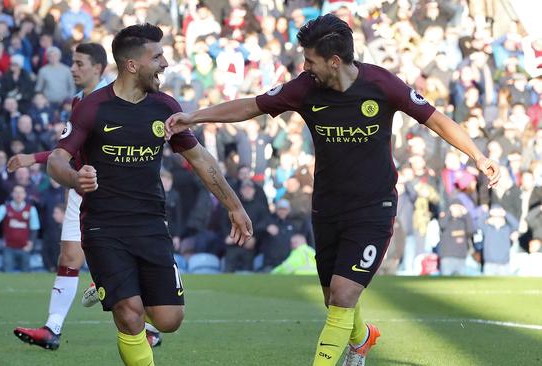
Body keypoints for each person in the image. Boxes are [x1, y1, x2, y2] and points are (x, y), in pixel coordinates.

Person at [165, 14, 500, 366]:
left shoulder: (381, 84)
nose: (304, 66)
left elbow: (435, 118)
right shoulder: (304, 88)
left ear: (334, 61)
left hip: (373, 206)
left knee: (342, 294)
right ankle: (363, 337)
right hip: (326, 207)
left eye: (310, 60)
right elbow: (251, 106)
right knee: (333, 298)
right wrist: (195, 116)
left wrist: (477, 155)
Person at [47, 24, 252, 366]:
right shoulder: (93, 108)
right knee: (130, 314)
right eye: (157, 56)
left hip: (151, 224)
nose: (165, 63)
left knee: (169, 320)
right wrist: (74, 178)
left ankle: (107, 287)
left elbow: (200, 159)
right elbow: (56, 159)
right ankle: (114, 288)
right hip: (103, 226)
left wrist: (234, 206)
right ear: (132, 65)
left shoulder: (165, 107)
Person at [10, 43, 112, 350]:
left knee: (120, 260)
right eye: (73, 62)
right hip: (80, 188)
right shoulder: (79, 100)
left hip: (109, 192)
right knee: (68, 256)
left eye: (80, 63)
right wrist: (38, 158)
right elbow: (72, 148)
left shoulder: (112, 102)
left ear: (99, 68)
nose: (73, 68)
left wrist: (35, 158)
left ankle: (146, 327)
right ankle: (52, 329)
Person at [0, 184, 40, 272]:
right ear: (12, 194)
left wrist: (31, 243)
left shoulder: (31, 209)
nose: (18, 195)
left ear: (25, 195)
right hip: (8, 247)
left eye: (21, 192)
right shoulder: (4, 208)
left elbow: (35, 228)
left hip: (24, 247)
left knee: (26, 274)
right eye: (16, 192)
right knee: (8, 273)